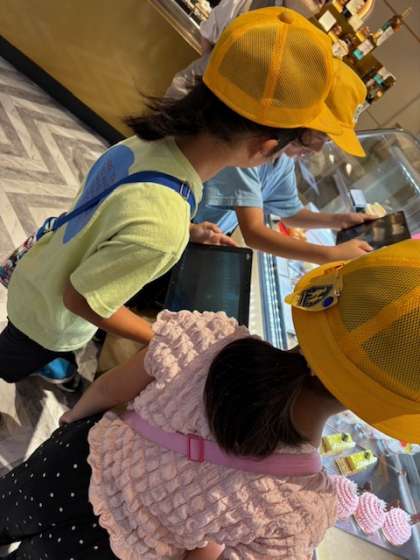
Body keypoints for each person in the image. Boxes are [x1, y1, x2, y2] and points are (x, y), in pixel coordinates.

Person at [0, 239, 418, 559]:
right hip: (107, 551)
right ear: (377, 408)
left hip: (71, 464)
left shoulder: (208, 339)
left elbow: (110, 389)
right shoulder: (301, 507)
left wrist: (70, 423)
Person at [0, 7, 341, 390]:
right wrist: (158, 337)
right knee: (12, 358)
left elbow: (116, 211)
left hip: (44, 266)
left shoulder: (152, 144)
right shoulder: (163, 226)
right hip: (46, 320)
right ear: (263, 148)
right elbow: (81, 299)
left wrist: (192, 231)